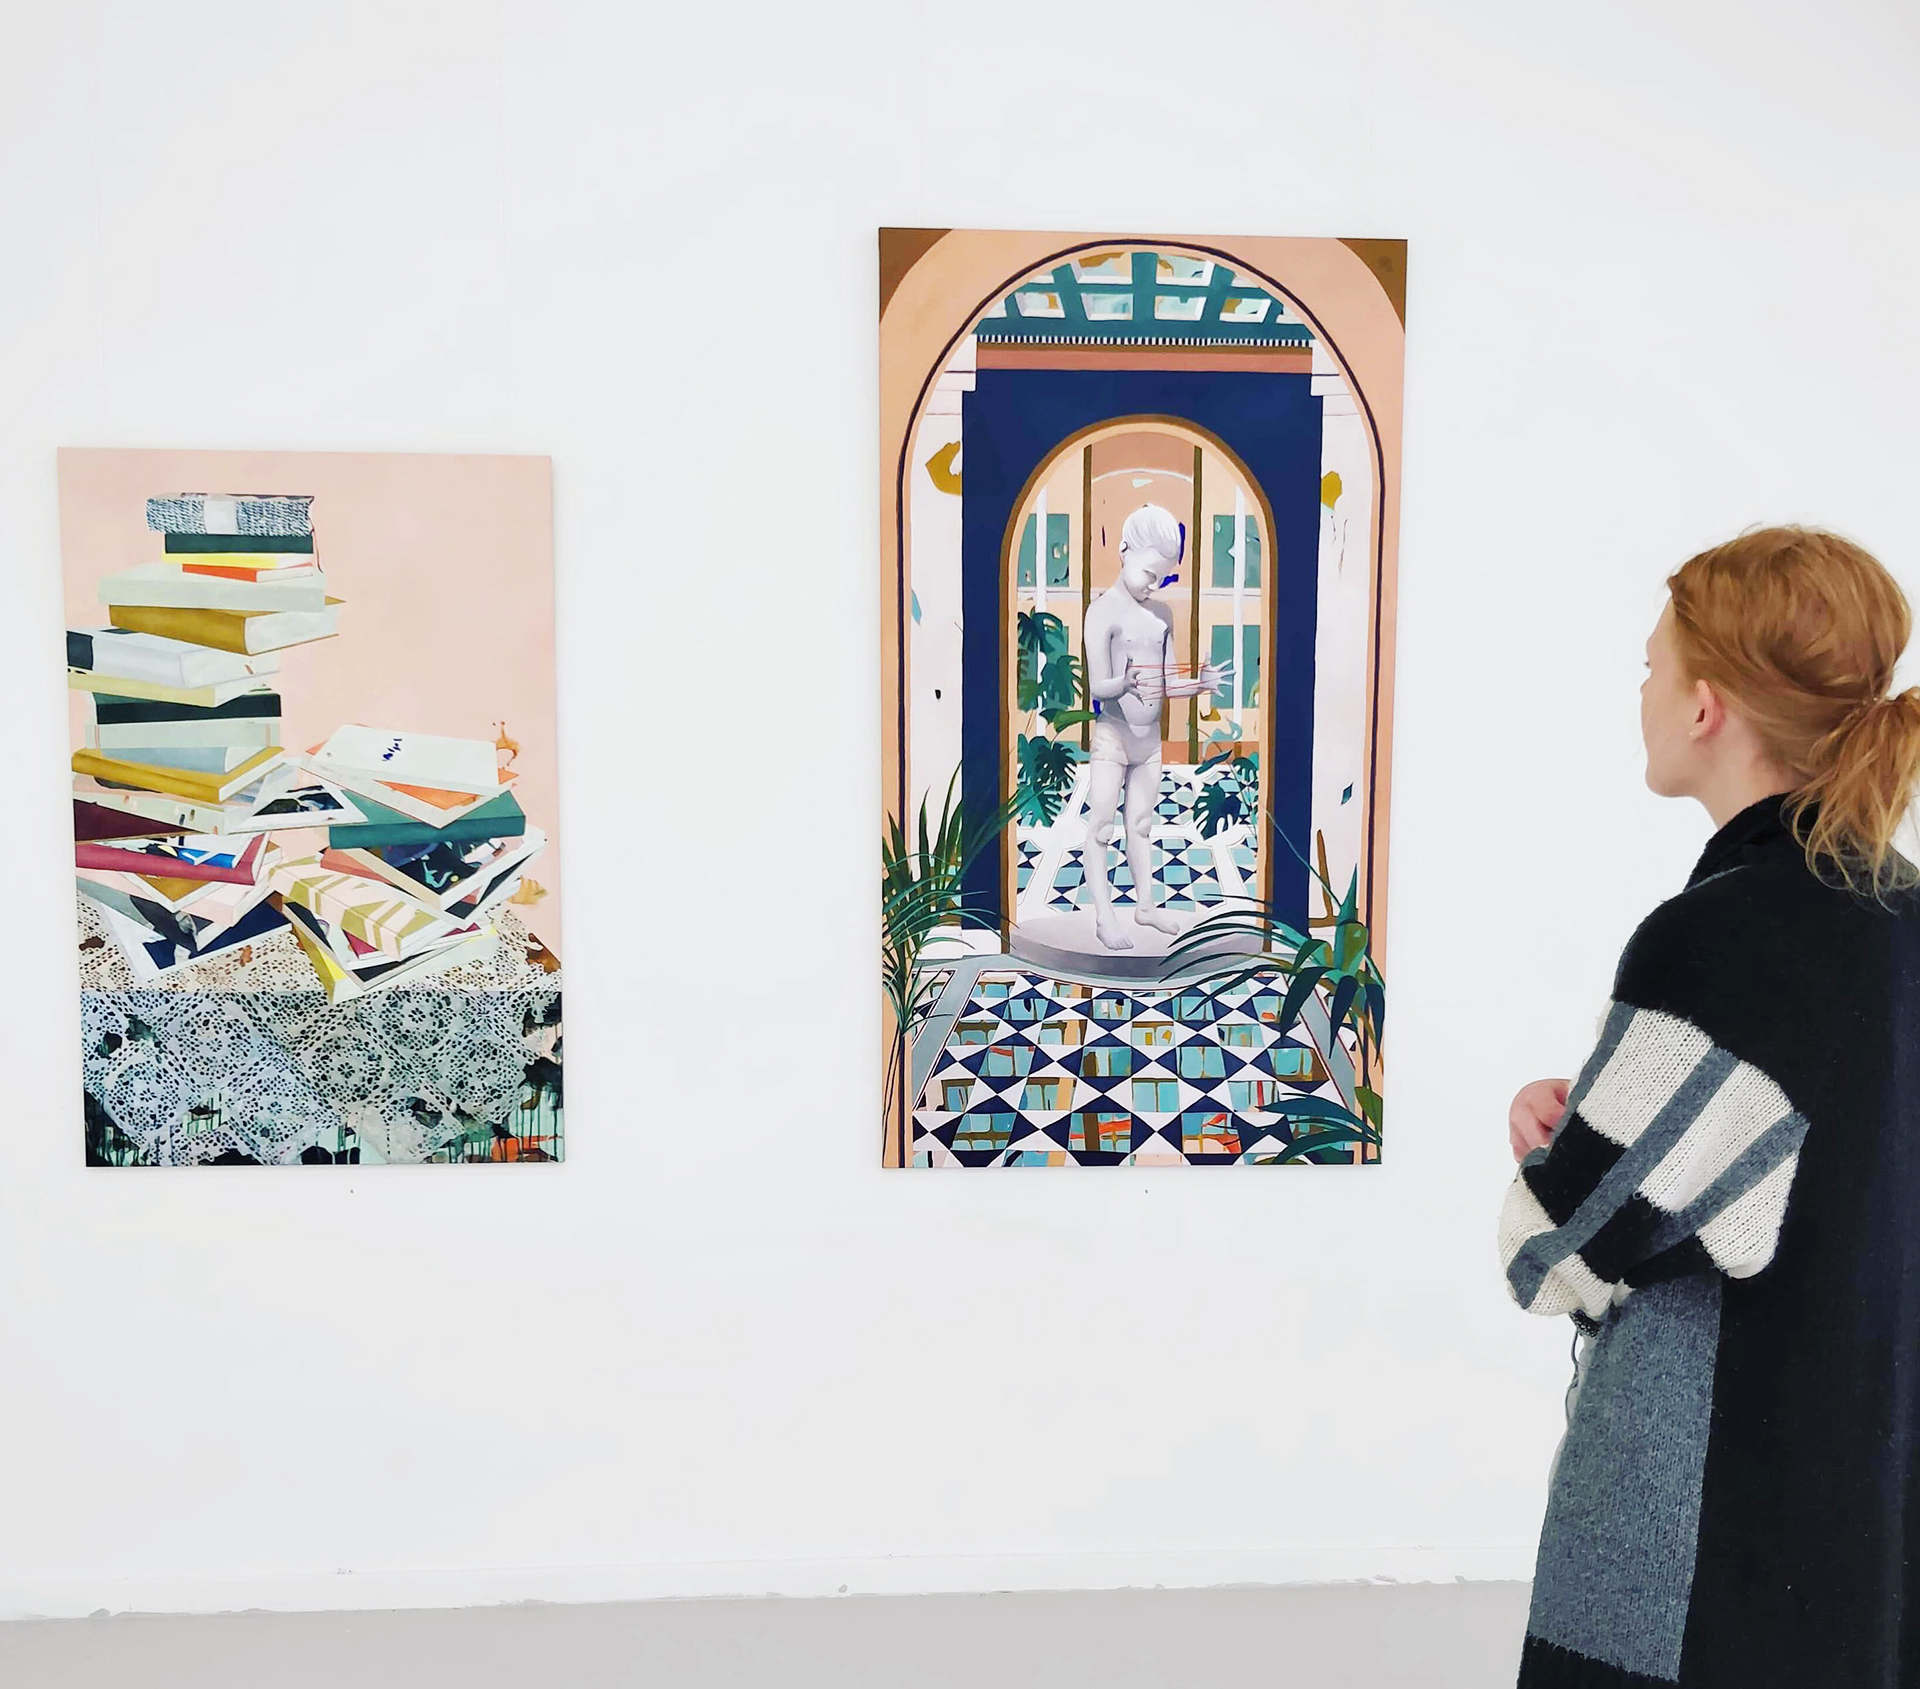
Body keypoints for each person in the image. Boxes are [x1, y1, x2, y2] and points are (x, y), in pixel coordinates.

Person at [1497, 526, 1920, 1688]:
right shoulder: (1898, 914)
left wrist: (1550, 1157)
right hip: (1865, 1533)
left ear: (1705, 707)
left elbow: (1554, 1252)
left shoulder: (1723, 937)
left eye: (1653, 666)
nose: (1641, 691)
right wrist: (1613, 1115)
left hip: (1700, 1557)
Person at [1079, 504, 1228, 952]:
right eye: (1149, 574)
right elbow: (1097, 685)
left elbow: (1166, 682)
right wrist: (1121, 683)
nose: (1154, 585)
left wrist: (1198, 684)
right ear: (1124, 550)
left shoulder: (1162, 615)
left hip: (1149, 744)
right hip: (1112, 738)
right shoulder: (1101, 612)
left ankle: (1145, 906)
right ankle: (1104, 916)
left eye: (1162, 578)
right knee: (1101, 826)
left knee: (1141, 824)